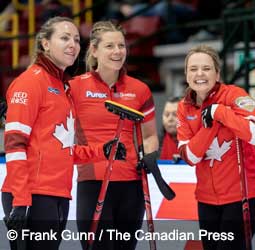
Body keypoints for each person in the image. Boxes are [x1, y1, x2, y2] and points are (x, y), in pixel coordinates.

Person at [1, 16, 126, 250]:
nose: (73, 44)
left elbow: (62, 149)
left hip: (58, 194)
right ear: (46, 44)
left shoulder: (63, 87)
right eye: (65, 38)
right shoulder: (30, 82)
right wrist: (20, 200)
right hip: (31, 195)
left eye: (77, 39)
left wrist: (102, 150)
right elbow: (15, 144)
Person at [69, 20, 159, 250]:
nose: (118, 51)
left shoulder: (140, 89)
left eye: (121, 45)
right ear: (95, 50)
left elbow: (149, 136)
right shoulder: (75, 88)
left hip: (131, 184)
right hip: (93, 182)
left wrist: (149, 156)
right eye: (110, 46)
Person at [177, 44, 255, 249]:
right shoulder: (184, 106)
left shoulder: (234, 95)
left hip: (242, 197)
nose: (200, 74)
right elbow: (190, 157)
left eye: (207, 68)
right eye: (193, 69)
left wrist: (220, 112)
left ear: (217, 73)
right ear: (186, 74)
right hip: (206, 200)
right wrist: (212, 124)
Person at [160, 96, 181, 161]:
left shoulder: (195, 146)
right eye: (166, 114)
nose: (170, 119)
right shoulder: (155, 145)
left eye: (175, 114)